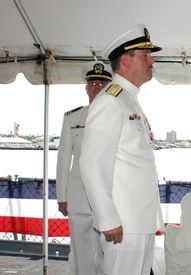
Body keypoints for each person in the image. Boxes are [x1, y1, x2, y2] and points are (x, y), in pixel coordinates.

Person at [79, 24, 164, 275]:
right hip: (123, 224)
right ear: (125, 61)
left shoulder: (129, 99)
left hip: (139, 221)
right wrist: (108, 219)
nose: (152, 61)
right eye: (145, 55)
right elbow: (91, 164)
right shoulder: (110, 101)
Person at [56, 63, 112, 275]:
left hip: (108, 196)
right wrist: (62, 196)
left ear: (109, 87)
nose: (97, 87)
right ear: (86, 88)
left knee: (110, 251)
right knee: (81, 253)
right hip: (79, 197)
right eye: (93, 83)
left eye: (102, 83)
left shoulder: (117, 115)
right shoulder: (72, 118)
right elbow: (63, 160)